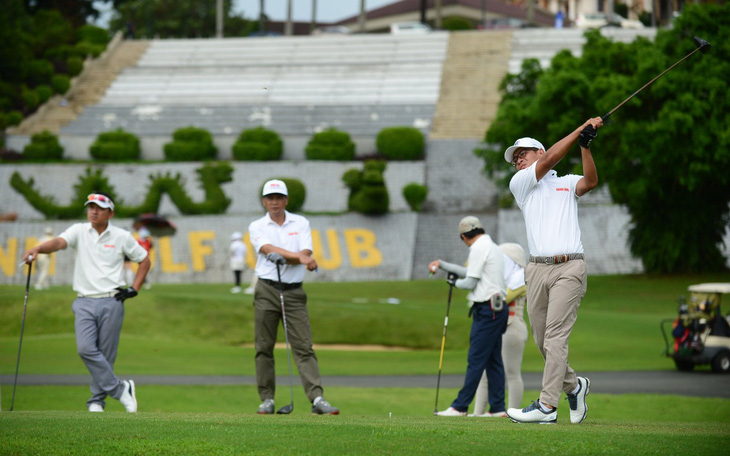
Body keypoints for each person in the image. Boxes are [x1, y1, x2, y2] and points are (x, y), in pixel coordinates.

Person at [503, 117, 602, 424]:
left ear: (538, 151)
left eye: (524, 153)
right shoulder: (520, 184)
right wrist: (580, 128)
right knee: (542, 341)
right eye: (516, 157)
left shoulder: (566, 181)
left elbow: (590, 182)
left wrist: (585, 146)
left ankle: (547, 406)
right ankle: (574, 386)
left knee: (556, 337)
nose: (519, 159)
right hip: (536, 270)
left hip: (569, 267)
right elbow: (549, 160)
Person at [22, 192, 150, 413]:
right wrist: (38, 248)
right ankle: (121, 389)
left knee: (106, 354)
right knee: (86, 348)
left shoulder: (121, 236)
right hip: (84, 302)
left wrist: (135, 288)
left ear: (110, 212)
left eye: (99, 208)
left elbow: (144, 260)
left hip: (112, 300)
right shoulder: (78, 230)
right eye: (91, 207)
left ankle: (96, 401)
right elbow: (59, 243)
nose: (94, 211)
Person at [248, 179, 339, 415]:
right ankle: (267, 399)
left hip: (294, 291)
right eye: (270, 198)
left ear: (286, 200)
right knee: (264, 347)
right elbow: (268, 251)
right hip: (267, 289)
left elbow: (306, 250)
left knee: (304, 347)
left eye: (279, 198)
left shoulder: (301, 222)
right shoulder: (257, 226)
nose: (274, 202)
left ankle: (317, 398)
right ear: (264, 201)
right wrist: (299, 258)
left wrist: (302, 257)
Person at [428, 216, 507, 417]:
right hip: (497, 310)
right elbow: (469, 272)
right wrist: (443, 265)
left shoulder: (478, 248)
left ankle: (460, 406)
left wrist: (452, 283)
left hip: (487, 310)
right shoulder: (490, 245)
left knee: (476, 358)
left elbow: (469, 282)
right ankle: (497, 408)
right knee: (493, 360)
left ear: (464, 237)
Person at [471, 243, 528, 416]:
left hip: (513, 327)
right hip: (496, 328)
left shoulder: (520, 277)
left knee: (511, 373)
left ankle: (512, 413)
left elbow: (503, 298)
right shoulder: (502, 278)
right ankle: (478, 414)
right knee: (485, 373)